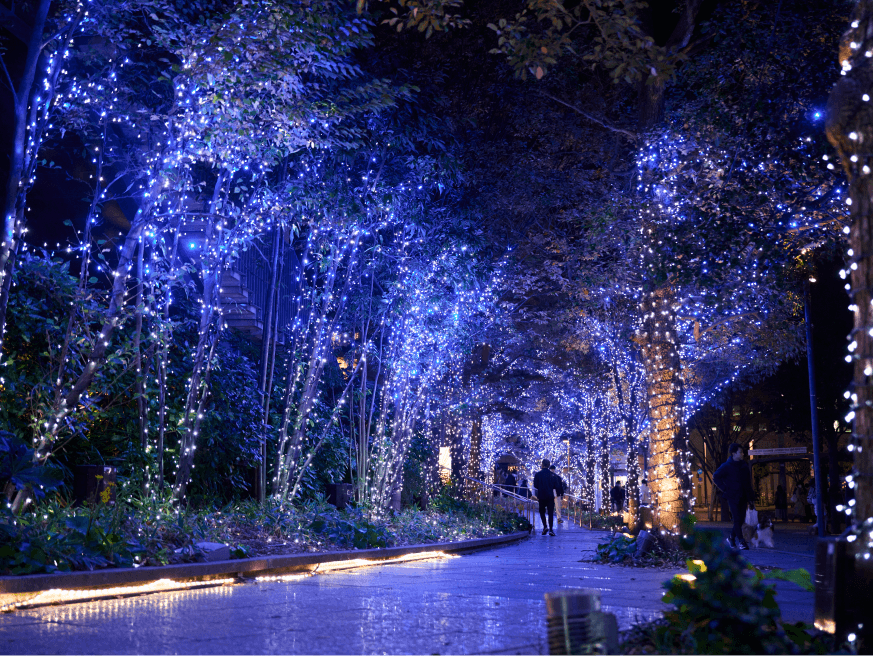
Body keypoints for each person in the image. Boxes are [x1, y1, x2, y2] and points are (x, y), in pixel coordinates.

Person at [712, 443, 756, 550]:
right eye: (740, 452)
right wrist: (725, 488)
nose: (742, 454)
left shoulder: (744, 466)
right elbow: (715, 477)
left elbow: (748, 483)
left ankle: (731, 538)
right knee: (737, 518)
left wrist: (751, 498)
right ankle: (741, 541)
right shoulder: (726, 466)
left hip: (743, 496)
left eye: (742, 452)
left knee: (740, 519)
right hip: (732, 496)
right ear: (733, 453)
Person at [533, 459, 556, 536]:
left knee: (542, 512)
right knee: (550, 513)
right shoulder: (552, 475)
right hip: (550, 495)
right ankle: (551, 529)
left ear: (542, 464)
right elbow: (555, 485)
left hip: (541, 495)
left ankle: (545, 526)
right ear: (549, 465)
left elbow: (535, 485)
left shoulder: (538, 474)